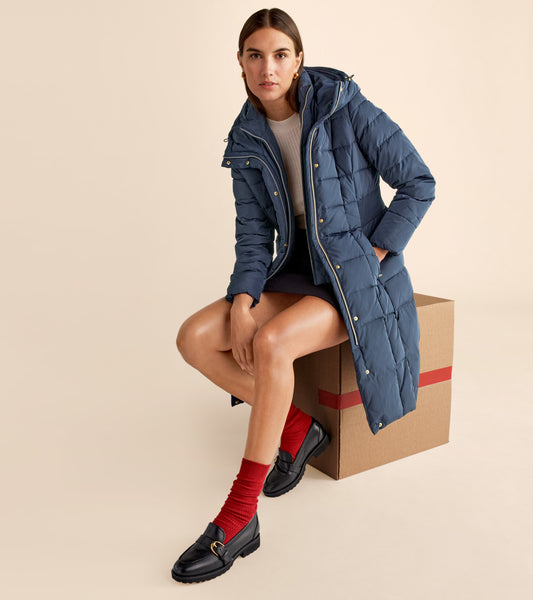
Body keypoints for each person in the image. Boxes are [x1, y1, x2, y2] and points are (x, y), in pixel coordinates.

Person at [171, 7, 435, 584]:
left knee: (271, 345)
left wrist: (375, 253)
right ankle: (297, 429)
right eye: (255, 55)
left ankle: (240, 516)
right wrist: (243, 300)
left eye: (280, 55)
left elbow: (419, 181)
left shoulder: (344, 105)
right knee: (195, 338)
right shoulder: (246, 137)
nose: (268, 68)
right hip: (293, 272)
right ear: (240, 64)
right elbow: (252, 236)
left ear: (298, 61)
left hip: (352, 276)